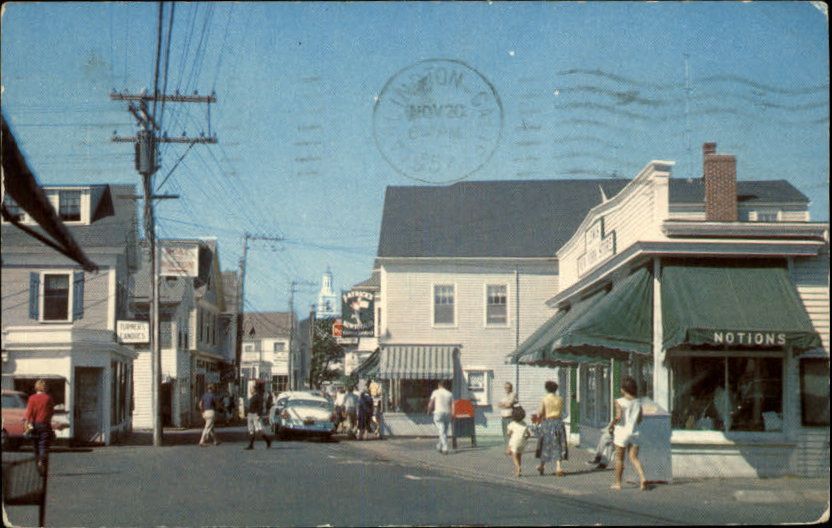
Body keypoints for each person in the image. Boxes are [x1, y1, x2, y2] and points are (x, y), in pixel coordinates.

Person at [611, 376, 647, 491]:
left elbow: (618, 417)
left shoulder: (619, 401)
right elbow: (640, 419)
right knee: (634, 457)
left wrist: (611, 425)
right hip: (635, 432)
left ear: (624, 389)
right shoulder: (638, 402)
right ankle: (642, 478)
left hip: (622, 432)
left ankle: (617, 483)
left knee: (619, 458)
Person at [535, 380, 568, 476]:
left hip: (548, 423)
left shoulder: (545, 399)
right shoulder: (560, 399)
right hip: (558, 422)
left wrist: (538, 417)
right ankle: (558, 467)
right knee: (557, 443)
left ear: (546, 389)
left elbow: (541, 412)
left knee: (545, 444)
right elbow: (561, 411)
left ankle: (542, 465)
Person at [24, 379, 56, 474]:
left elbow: (28, 413)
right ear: (45, 387)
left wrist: (27, 424)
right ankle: (42, 461)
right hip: (45, 424)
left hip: (34, 424)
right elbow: (51, 412)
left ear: (36, 387)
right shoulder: (48, 398)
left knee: (35, 445)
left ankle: (38, 466)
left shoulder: (32, 398)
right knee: (43, 445)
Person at [427, 380, 453, 455]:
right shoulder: (450, 394)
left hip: (438, 413)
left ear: (439, 385)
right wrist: (453, 414)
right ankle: (439, 446)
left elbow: (431, 402)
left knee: (441, 430)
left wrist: (429, 410)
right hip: (448, 413)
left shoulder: (435, 392)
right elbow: (452, 405)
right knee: (444, 431)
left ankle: (445, 448)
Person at [244, 384, 272, 450]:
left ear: (255, 389)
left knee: (259, 430)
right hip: (250, 414)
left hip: (255, 415)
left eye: (251, 389)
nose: (250, 390)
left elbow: (260, 407)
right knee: (251, 430)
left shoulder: (258, 397)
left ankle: (268, 441)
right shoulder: (252, 397)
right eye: (250, 389)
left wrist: (259, 415)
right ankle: (251, 445)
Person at [505, 406, 530, 477]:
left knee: (514, 455)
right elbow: (528, 434)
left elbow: (508, 434)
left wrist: (511, 434)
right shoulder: (524, 423)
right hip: (522, 442)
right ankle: (518, 471)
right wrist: (525, 438)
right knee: (519, 455)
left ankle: (517, 467)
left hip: (515, 442)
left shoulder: (512, 424)